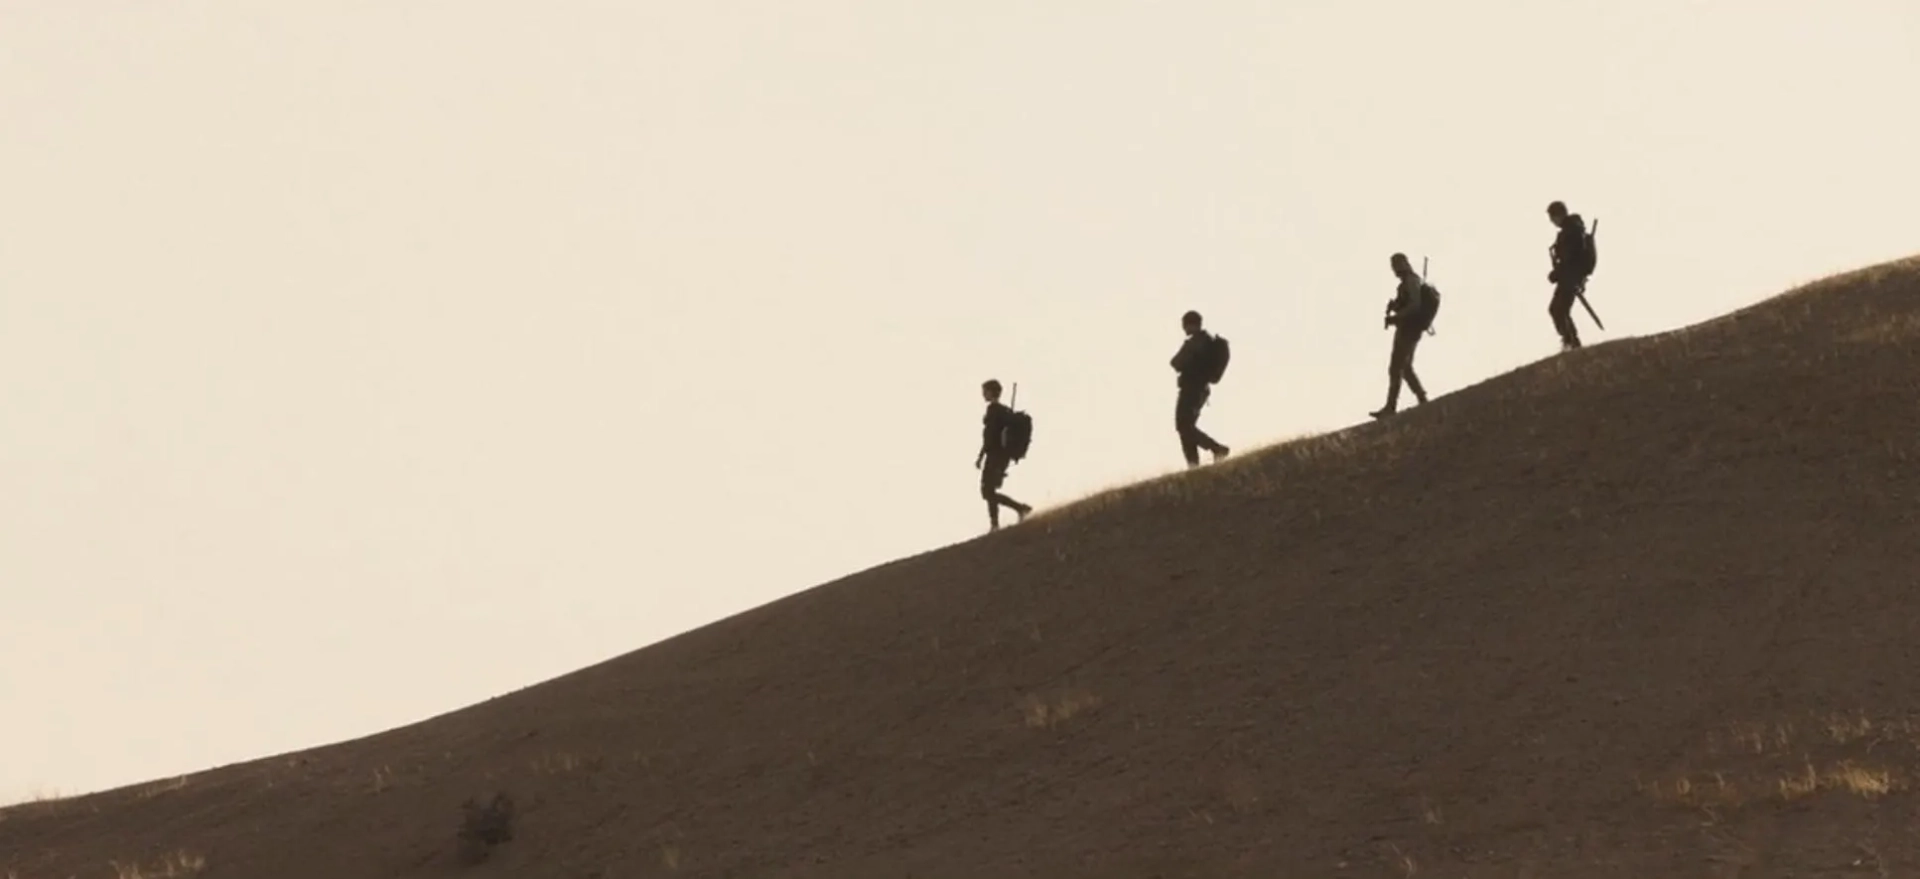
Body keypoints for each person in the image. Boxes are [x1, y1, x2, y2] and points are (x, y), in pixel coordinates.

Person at [1372, 253, 1432, 419]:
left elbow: (1414, 305)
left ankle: (1391, 407)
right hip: (1409, 328)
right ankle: (1421, 398)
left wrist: (1396, 317)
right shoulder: (1408, 282)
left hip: (1409, 329)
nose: (1395, 269)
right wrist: (1396, 306)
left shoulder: (1411, 281)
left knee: (1396, 368)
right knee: (1404, 367)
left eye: (1396, 265)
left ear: (1404, 264)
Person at [1169, 310, 1230, 468]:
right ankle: (1194, 466)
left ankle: (1216, 449)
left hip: (1191, 388)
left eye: (1184, 325)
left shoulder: (1196, 342)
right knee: (1186, 427)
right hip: (1201, 389)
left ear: (1190, 324)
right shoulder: (1206, 341)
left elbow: (1176, 363)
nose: (1183, 329)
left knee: (1183, 425)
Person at [975, 379, 1032, 531]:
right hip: (996, 456)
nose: (983, 394)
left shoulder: (995, 410)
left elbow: (991, 436)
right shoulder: (1001, 410)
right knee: (988, 491)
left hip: (996, 456)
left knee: (988, 491)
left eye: (985, 391)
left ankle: (1014, 512)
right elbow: (989, 436)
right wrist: (981, 456)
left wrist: (981, 456)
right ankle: (1014, 513)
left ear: (991, 392)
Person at [1546, 200, 1593, 351]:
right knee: (1559, 309)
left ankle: (1571, 342)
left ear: (1558, 215)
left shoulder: (1571, 231)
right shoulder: (1572, 229)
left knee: (1558, 309)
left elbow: (1570, 258)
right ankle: (1571, 341)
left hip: (1570, 277)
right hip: (1570, 276)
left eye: (1552, 218)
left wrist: (1556, 273)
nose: (1552, 221)